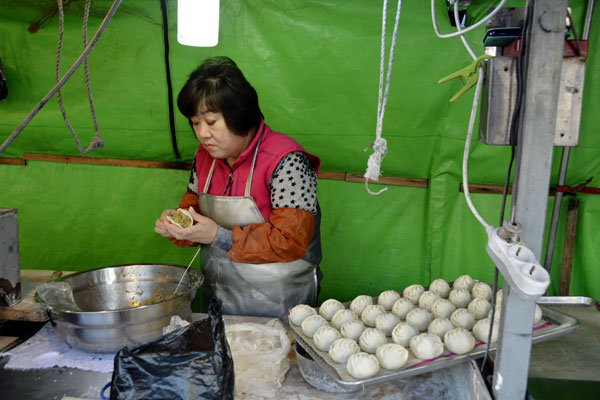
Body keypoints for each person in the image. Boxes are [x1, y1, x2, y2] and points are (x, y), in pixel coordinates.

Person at [155, 56, 322, 317]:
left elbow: (291, 241)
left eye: (211, 122)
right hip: (219, 298)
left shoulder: (287, 161)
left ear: (239, 116)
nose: (202, 134)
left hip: (279, 303)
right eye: (195, 123)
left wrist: (218, 236)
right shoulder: (204, 158)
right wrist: (179, 226)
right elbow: (192, 212)